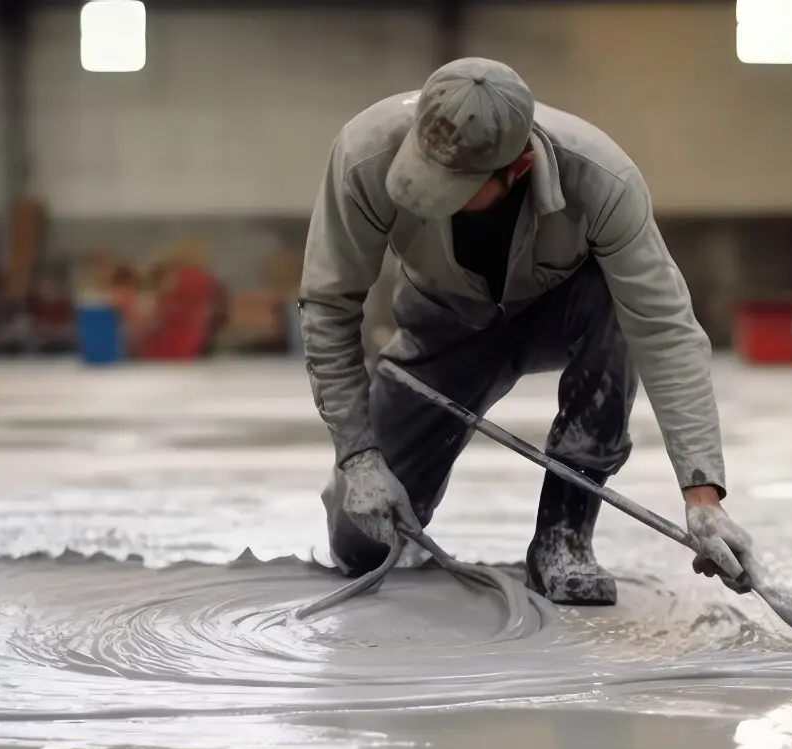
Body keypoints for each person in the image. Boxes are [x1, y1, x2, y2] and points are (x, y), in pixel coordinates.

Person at [300, 56, 755, 606]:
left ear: (516, 167)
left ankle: (563, 536)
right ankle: (386, 514)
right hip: (441, 330)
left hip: (556, 315)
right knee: (361, 548)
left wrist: (702, 497)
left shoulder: (603, 181)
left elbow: (666, 331)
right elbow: (328, 305)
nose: (429, 193)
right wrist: (359, 456)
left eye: (453, 186)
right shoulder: (365, 155)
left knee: (617, 302)